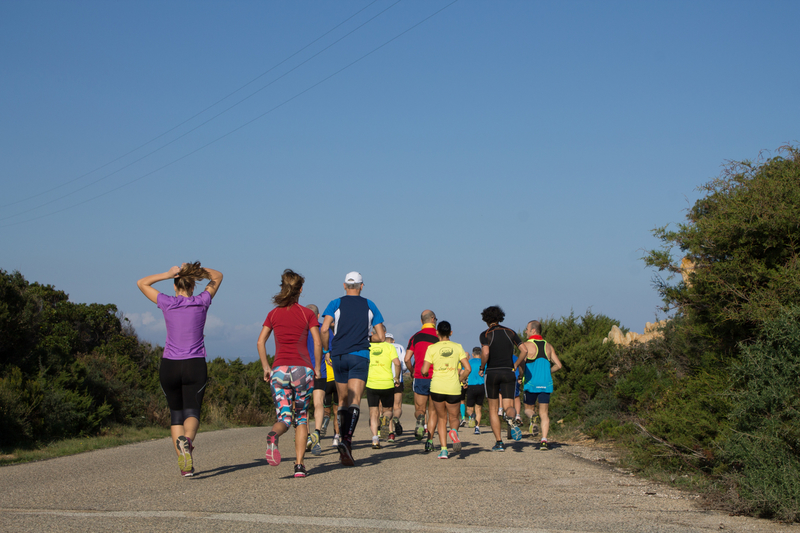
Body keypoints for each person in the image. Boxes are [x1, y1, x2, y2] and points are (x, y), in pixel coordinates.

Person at [137, 262, 223, 477]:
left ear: (175, 287)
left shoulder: (167, 302)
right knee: (192, 411)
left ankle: (186, 467)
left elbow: (142, 283)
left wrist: (168, 274)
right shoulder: (202, 302)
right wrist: (196, 270)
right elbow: (218, 276)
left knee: (176, 415)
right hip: (195, 364)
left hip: (170, 365)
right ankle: (188, 442)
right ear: (193, 287)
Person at [257, 269, 321, 478]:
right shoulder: (307, 313)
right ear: (300, 289)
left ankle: (274, 435)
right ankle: (300, 465)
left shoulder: (273, 313)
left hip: (279, 370)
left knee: (284, 417)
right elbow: (318, 342)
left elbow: (260, 341)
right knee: (301, 417)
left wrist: (267, 367)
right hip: (302, 369)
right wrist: (317, 367)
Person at [321, 271, 386, 466]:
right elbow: (381, 336)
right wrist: (366, 338)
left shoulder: (335, 303)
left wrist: (327, 350)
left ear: (344, 286)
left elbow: (324, 329)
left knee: (342, 400)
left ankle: (340, 436)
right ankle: (348, 440)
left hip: (338, 355)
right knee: (355, 400)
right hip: (359, 356)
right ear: (362, 286)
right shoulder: (370, 304)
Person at [478, 305, 528, 451]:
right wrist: (516, 364)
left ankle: (499, 443)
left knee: (493, 410)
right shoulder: (510, 332)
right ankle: (511, 419)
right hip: (508, 372)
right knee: (509, 406)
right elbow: (524, 350)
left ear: (486, 319)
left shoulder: (485, 334)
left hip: (492, 373)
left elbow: (485, 353)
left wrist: (482, 368)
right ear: (500, 317)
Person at [421, 321, 471, 459]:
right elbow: (468, 369)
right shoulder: (458, 347)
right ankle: (454, 431)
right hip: (453, 387)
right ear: (451, 333)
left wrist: (425, 373)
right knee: (454, 417)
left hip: (437, 387)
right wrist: (460, 380)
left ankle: (443, 450)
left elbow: (424, 370)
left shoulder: (432, 348)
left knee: (441, 419)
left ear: (437, 332)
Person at [515, 320, 562, 450]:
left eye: (527, 329)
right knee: (544, 413)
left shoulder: (526, 346)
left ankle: (533, 418)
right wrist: (548, 372)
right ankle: (544, 441)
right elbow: (559, 365)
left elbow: (521, 365)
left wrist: (520, 377)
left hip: (531, 383)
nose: (525, 331)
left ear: (533, 330)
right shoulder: (548, 346)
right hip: (545, 383)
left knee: (529, 409)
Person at [404, 310, 439, 450]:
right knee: (433, 412)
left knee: (420, 409)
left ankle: (420, 419)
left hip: (420, 376)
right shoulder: (439, 336)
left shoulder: (415, 337)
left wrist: (412, 371)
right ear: (433, 319)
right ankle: (429, 441)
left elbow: (406, 359)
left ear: (421, 321)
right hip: (437, 378)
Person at [305, 304, 333, 456]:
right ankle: (317, 432)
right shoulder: (324, 329)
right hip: (320, 372)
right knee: (318, 403)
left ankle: (306, 436)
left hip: (302, 372)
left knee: (303, 406)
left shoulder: (301, 328)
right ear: (318, 314)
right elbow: (331, 347)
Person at [367, 330, 401, 449]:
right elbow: (397, 363)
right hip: (387, 383)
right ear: (383, 333)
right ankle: (386, 419)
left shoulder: (368, 346)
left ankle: (375, 439)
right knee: (388, 410)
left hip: (371, 383)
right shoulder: (389, 347)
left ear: (372, 332)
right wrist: (396, 377)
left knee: (373, 413)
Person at [385, 333, 407, 441]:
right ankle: (396, 418)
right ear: (393, 340)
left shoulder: (382, 347)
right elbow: (403, 365)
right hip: (397, 379)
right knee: (397, 407)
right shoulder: (400, 347)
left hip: (385, 380)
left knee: (387, 408)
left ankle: (390, 433)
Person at [465, 347, 485, 434]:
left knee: (469, 409)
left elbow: (464, 372)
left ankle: (472, 416)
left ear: (472, 354)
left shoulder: (469, 362)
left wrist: (463, 381)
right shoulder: (484, 363)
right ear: (481, 354)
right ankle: (477, 428)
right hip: (481, 386)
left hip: (471, 386)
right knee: (478, 409)